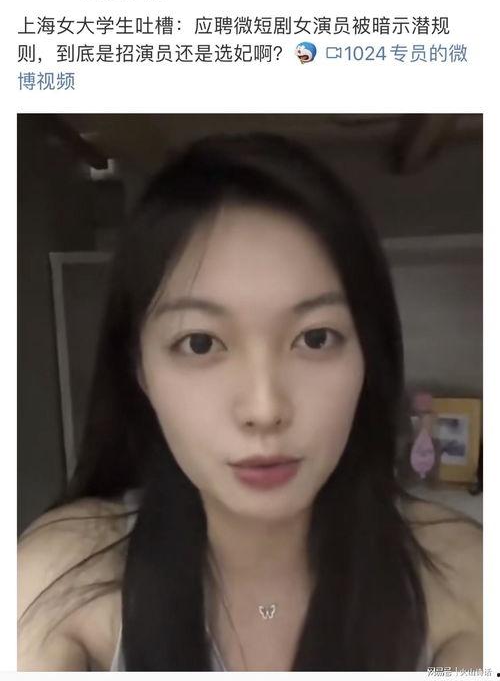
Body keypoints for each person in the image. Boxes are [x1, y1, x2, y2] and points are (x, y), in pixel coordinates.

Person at [18, 133, 482, 671]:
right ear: (139, 370)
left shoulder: (463, 576)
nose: (265, 410)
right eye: (200, 343)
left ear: (368, 357)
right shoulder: (61, 574)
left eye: (315, 338)